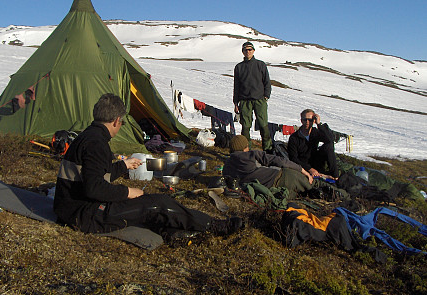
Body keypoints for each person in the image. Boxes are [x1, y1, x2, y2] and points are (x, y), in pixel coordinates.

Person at [53, 93, 242, 239]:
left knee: (147, 206)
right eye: (122, 122)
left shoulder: (87, 136)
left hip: (69, 208)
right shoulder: (97, 144)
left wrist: (123, 166)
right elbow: (94, 188)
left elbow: (95, 174)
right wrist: (127, 192)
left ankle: (173, 231)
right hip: (85, 215)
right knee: (158, 204)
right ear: (117, 121)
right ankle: (215, 226)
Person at [223, 135, 316, 197]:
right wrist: (303, 170)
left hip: (269, 191)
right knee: (316, 184)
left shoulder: (226, 166)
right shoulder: (252, 155)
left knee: (304, 194)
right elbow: (281, 161)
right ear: (245, 147)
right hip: (282, 178)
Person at [233, 41, 272, 152]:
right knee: (245, 127)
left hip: (260, 100)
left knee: (263, 125)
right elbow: (236, 86)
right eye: (245, 50)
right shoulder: (239, 67)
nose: (248, 52)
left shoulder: (260, 65)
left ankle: (268, 149)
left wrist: (266, 96)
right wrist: (236, 103)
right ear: (243, 52)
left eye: (250, 49)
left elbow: (267, 82)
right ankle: (246, 150)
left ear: (253, 51)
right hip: (244, 101)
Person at [287, 109, 338, 179]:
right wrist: (309, 169)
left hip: (316, 162)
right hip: (303, 166)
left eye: (310, 120)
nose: (307, 122)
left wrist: (319, 124)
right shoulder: (294, 137)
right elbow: (293, 158)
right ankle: (321, 174)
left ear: (313, 121)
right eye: (305, 119)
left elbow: (330, 140)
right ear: (301, 120)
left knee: (328, 146)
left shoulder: (315, 132)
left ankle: (334, 175)